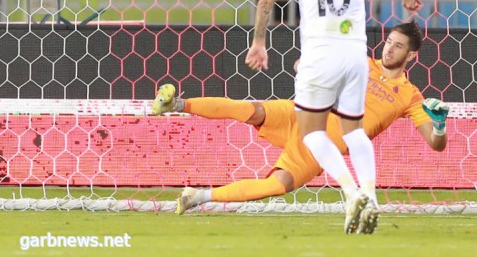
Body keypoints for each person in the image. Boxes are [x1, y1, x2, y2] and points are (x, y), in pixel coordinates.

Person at [152, 21, 449, 226]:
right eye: (388, 42)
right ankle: (176, 104)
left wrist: (439, 126)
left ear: (411, 55)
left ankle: (198, 196)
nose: (388, 49)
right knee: (250, 110)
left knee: (277, 185)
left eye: (398, 46)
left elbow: (436, 145)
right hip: (304, 114)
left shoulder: (411, 96)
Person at [245, 0, 422, 234]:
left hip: (318, 54)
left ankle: (351, 191)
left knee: (312, 132)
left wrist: (259, 43)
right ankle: (370, 195)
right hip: (356, 54)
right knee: (353, 131)